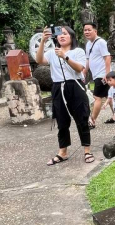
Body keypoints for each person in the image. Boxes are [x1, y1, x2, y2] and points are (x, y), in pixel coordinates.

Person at [36, 24, 94, 165]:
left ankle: (87, 150)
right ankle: (63, 152)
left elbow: (80, 68)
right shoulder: (52, 52)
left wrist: (65, 56)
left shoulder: (78, 51)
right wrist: (43, 41)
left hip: (75, 86)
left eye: (65, 34)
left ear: (71, 36)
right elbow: (39, 61)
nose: (61, 36)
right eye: (59, 34)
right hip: (58, 87)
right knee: (62, 121)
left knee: (82, 119)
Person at [83, 21, 113, 128]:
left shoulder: (101, 42)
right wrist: (84, 72)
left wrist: (107, 74)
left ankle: (92, 121)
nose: (87, 32)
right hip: (96, 74)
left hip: (102, 75)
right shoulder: (88, 44)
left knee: (97, 97)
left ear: (95, 31)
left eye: (89, 30)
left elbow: (107, 57)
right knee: (109, 96)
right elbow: (88, 60)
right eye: (85, 30)